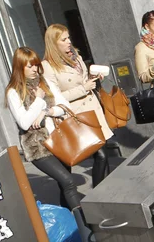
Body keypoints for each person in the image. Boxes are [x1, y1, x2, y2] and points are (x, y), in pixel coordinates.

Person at [6, 47, 84, 210]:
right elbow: (25, 123)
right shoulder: (14, 92)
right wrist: (40, 101)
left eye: (36, 65)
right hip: (37, 148)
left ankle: (71, 222)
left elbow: (64, 105)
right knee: (68, 181)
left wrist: (47, 112)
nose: (35, 69)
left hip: (59, 141)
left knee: (65, 185)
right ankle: (84, 224)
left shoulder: (44, 83)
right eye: (29, 66)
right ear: (19, 67)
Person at [42, 24, 113, 187]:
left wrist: (93, 80)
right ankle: (98, 194)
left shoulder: (76, 57)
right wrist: (83, 89)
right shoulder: (47, 66)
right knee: (100, 154)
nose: (69, 42)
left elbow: (84, 81)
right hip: (78, 115)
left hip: (93, 109)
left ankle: (107, 191)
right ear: (54, 43)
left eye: (69, 38)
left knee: (104, 154)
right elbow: (53, 98)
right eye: (64, 39)